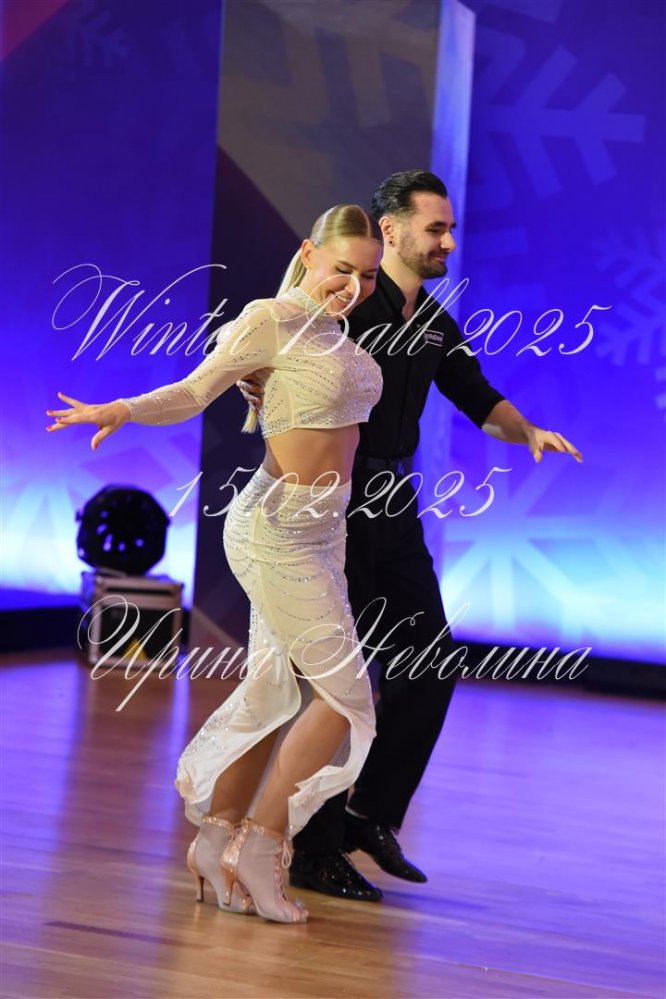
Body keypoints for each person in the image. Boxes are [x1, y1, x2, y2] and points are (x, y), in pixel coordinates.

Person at [238, 170, 583, 903]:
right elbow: (271, 352)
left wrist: (527, 431)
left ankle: (368, 814)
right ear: (390, 231)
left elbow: (478, 397)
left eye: (450, 229)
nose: (448, 242)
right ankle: (309, 848)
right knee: (344, 681)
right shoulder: (343, 306)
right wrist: (255, 381)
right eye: (436, 229)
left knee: (431, 661)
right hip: (332, 503)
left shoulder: (433, 322)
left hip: (391, 501)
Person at [45, 204, 386, 924]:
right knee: (345, 696)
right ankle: (261, 846)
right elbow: (195, 391)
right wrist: (123, 409)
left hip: (325, 530)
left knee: (272, 689)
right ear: (308, 253)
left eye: (367, 276)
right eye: (341, 269)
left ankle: (214, 841)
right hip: (275, 527)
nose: (353, 286)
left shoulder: (335, 334)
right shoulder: (269, 318)